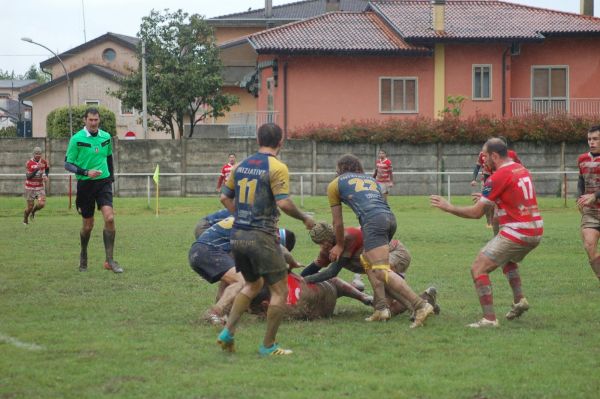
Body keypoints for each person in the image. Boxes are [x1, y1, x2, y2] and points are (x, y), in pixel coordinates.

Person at [217, 123, 315, 356]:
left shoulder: (239, 166)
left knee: (253, 284)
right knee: (280, 291)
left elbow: (224, 197)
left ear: (257, 139)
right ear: (281, 142)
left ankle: (227, 333)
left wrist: (241, 217)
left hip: (238, 235)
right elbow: (283, 202)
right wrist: (305, 218)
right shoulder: (277, 167)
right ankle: (268, 346)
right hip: (261, 236)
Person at [431, 138, 543, 328]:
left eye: (484, 156)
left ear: (494, 156)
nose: (482, 160)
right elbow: (513, 196)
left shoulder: (497, 177)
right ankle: (519, 300)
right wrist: (489, 198)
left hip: (518, 231)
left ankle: (489, 320)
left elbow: (476, 213)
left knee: (478, 268)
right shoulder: (519, 168)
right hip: (536, 229)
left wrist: (449, 207)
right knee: (507, 260)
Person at [327, 154, 434, 327]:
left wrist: (339, 245)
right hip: (389, 219)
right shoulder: (371, 180)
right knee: (366, 260)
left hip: (373, 222)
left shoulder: (335, 184)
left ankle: (420, 305)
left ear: (339, 169)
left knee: (381, 270)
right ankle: (381, 308)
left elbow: (337, 222)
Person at [303, 221, 440, 321]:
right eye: (320, 244)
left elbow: (332, 272)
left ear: (332, 236)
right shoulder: (326, 250)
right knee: (383, 309)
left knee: (381, 276)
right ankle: (426, 302)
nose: (323, 246)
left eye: (324, 242)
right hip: (379, 264)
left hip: (395, 253)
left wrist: (305, 281)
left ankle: (419, 306)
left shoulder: (348, 237)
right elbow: (315, 267)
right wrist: (295, 278)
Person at [189, 215, 296, 325]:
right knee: (239, 281)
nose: (275, 224)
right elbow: (280, 250)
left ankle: (221, 312)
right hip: (207, 251)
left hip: (200, 251)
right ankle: (214, 313)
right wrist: (293, 263)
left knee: (229, 280)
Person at [64, 107, 123, 273]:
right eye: (90, 120)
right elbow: (67, 164)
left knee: (110, 218)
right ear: (85, 120)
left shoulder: (106, 137)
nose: (93, 123)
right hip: (85, 185)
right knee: (88, 226)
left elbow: (109, 156)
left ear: (99, 120)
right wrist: (85, 172)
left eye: (96, 120)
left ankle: (110, 260)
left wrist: (111, 176)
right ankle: (83, 254)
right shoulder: (77, 139)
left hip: (103, 183)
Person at [576, 125, 600, 283]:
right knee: (589, 245)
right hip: (591, 212)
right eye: (589, 139)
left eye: (596, 139)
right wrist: (579, 197)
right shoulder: (582, 159)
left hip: (594, 202)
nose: (592, 142)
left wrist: (595, 196)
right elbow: (580, 180)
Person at [23, 146, 49, 225]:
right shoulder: (29, 163)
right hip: (30, 187)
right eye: (36, 154)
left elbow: (47, 168)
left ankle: (33, 212)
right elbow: (28, 176)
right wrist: (37, 169)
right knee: (29, 207)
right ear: (33, 154)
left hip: (40, 187)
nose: (38, 156)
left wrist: (46, 175)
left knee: (41, 204)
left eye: (39, 154)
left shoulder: (44, 162)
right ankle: (25, 218)